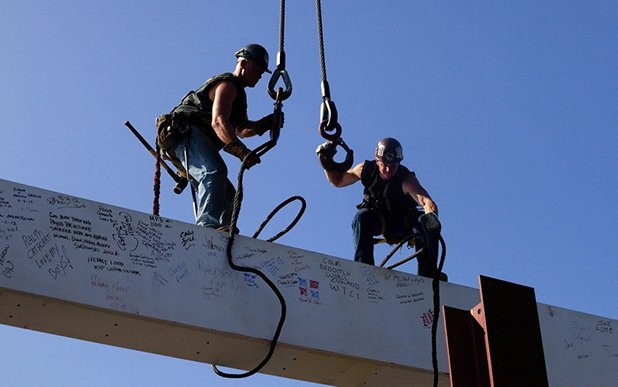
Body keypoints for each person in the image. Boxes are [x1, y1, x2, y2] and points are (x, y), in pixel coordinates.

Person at [158, 44, 282, 230]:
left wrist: (264, 124)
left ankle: (223, 232)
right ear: (243, 63)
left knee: (228, 193)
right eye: (257, 69)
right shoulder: (227, 85)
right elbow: (218, 122)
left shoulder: (239, 96)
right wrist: (240, 151)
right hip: (185, 133)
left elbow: (241, 129)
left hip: (197, 137)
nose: (259, 75)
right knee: (214, 172)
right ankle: (207, 227)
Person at [317, 137, 441, 278]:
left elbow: (426, 202)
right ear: (377, 160)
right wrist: (326, 162)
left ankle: (429, 276)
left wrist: (431, 216)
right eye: (384, 164)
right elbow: (338, 181)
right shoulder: (366, 169)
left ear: (398, 163)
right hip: (379, 220)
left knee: (424, 223)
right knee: (361, 217)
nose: (388, 169)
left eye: (393, 165)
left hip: (404, 223)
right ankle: (364, 269)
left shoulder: (406, 179)